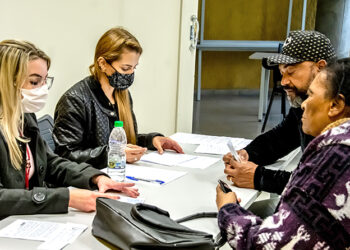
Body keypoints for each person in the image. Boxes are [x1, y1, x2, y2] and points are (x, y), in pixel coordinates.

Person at [216, 58, 350, 249]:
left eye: (311, 95)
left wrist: (227, 209)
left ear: (335, 105)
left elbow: (268, 244)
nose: (304, 104)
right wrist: (248, 153)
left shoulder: (339, 154)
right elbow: (280, 137)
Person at [0, 39, 139, 219]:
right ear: (6, 82)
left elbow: (51, 163)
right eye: (34, 82)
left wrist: (95, 178)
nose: (42, 90)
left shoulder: (24, 115)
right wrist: (66, 198)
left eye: (44, 81)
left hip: (23, 220)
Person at [223, 30, 336, 195]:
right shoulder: (304, 103)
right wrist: (248, 154)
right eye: (282, 73)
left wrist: (259, 177)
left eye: (291, 72)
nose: (283, 82)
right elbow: (281, 137)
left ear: (320, 67)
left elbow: (324, 185)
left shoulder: (341, 117)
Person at [53, 27, 183, 169]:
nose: (130, 74)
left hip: (115, 173)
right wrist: (115, 153)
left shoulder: (121, 94)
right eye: (125, 69)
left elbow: (122, 141)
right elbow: (66, 155)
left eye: (134, 68)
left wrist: (151, 140)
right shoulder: (75, 100)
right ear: (102, 64)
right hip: (88, 181)